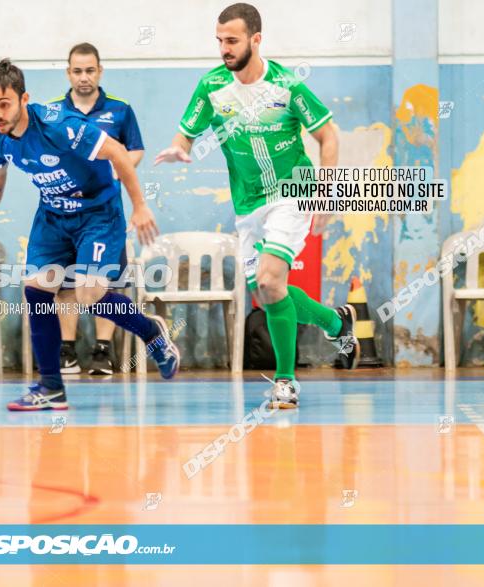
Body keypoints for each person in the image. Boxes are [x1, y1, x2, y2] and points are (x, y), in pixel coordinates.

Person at [155, 3, 359, 409]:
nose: (224, 49)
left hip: (293, 192)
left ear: (256, 39)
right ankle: (337, 323)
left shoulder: (286, 86)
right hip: (248, 204)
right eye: (220, 41)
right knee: (268, 293)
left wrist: (327, 193)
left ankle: (286, 382)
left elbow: (329, 137)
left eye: (232, 41)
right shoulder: (212, 87)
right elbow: (185, 136)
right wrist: (179, 150)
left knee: (269, 281)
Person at [0, 59, 180, 412]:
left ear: (23, 98)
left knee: (89, 293)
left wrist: (139, 206)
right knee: (35, 288)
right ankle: (51, 387)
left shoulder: (60, 126)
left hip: (97, 212)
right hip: (52, 216)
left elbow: (118, 154)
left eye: (4, 104)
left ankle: (151, 332)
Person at [48, 42, 145, 376]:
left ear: (100, 71)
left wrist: (116, 167)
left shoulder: (120, 110)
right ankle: (67, 350)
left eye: (90, 70)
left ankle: (103, 351)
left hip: (106, 213)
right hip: (64, 213)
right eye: (77, 71)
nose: (84, 77)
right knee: (67, 284)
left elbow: (135, 151)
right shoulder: (53, 113)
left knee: (106, 282)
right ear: (68, 73)